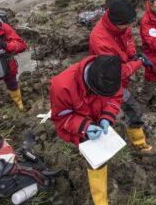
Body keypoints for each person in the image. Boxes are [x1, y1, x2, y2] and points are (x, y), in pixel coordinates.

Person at [50, 55, 123, 205]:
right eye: (97, 93)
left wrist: (106, 117)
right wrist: (85, 127)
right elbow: (61, 118)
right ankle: (100, 201)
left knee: (100, 157)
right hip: (80, 124)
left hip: (99, 117)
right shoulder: (61, 86)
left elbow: (116, 97)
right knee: (96, 161)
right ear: (90, 85)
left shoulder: (112, 75)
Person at [89, 0, 153, 153]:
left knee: (121, 109)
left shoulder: (121, 25)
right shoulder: (100, 40)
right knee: (132, 109)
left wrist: (133, 55)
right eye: (128, 24)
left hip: (120, 76)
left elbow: (128, 37)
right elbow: (118, 72)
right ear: (116, 23)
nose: (131, 27)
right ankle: (137, 144)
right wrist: (139, 63)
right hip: (108, 82)